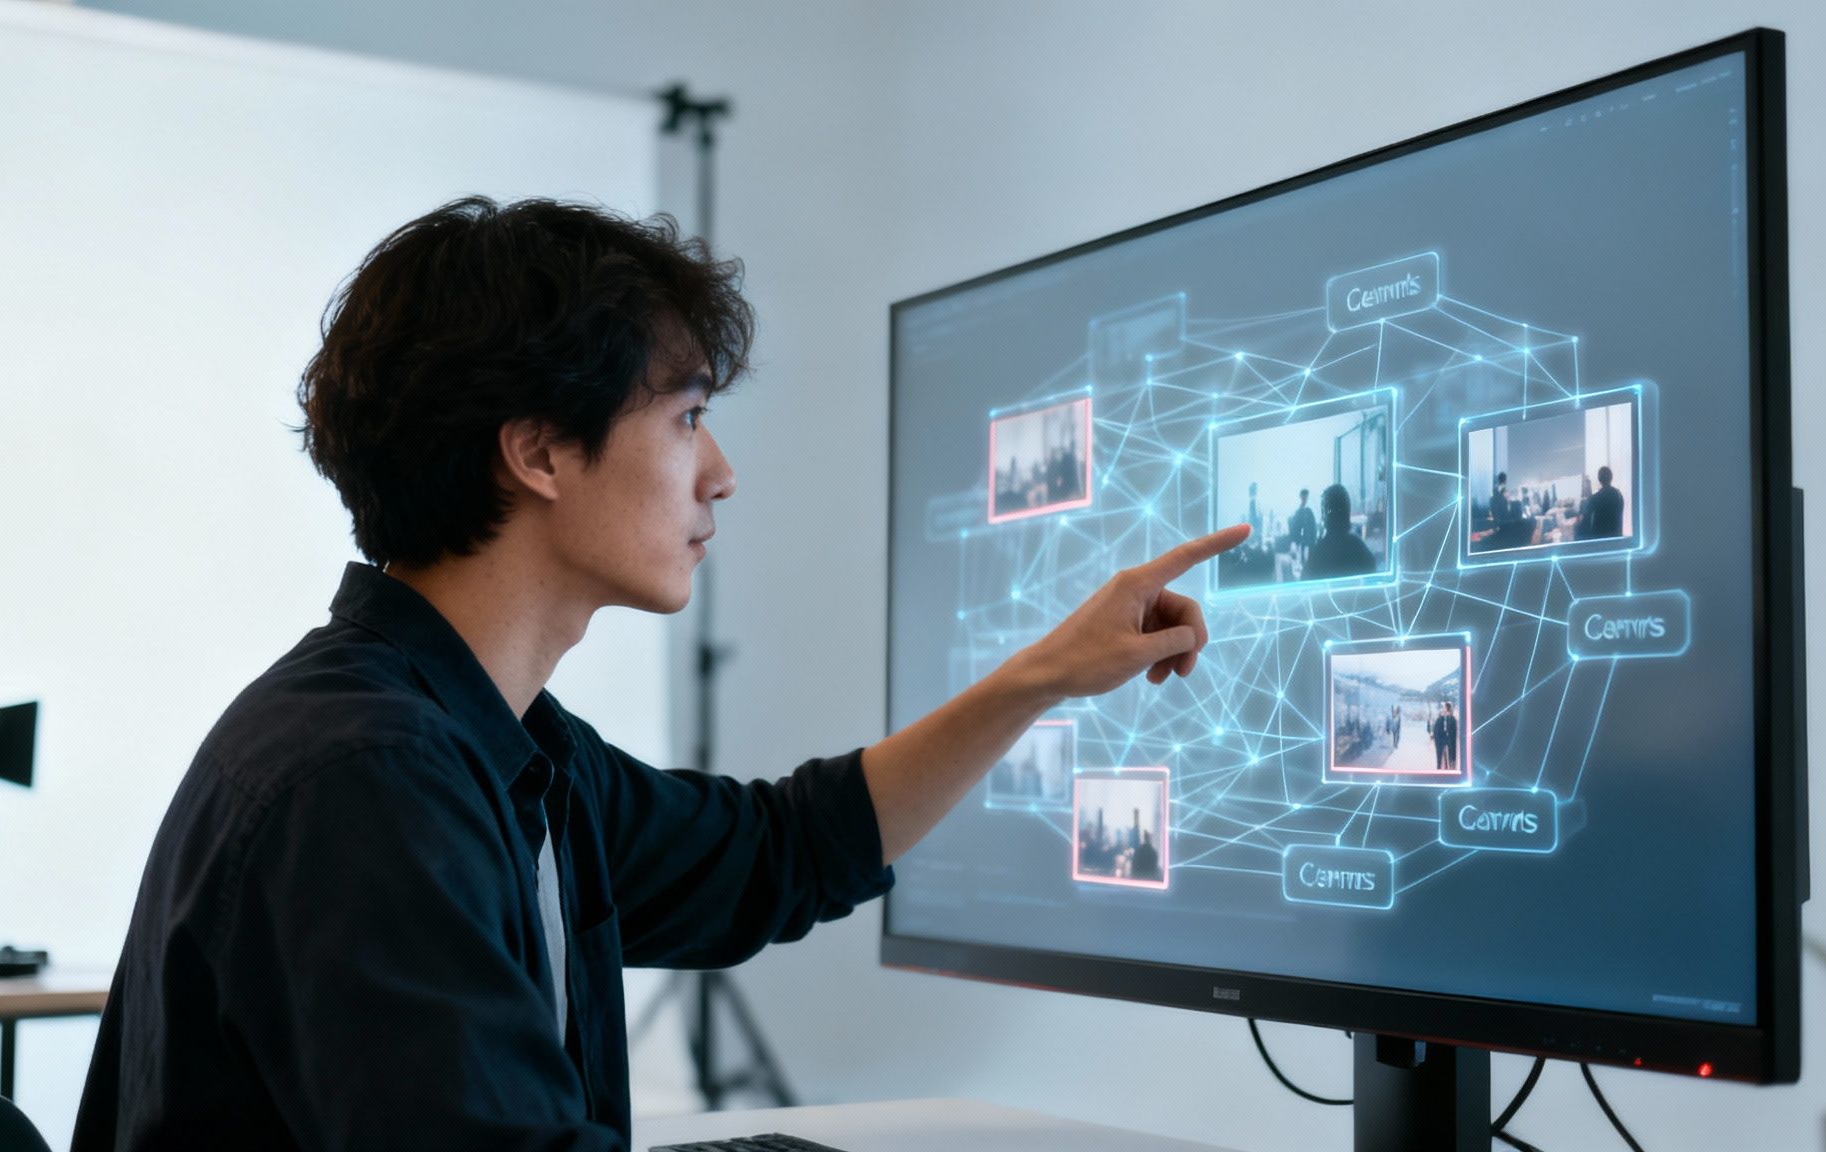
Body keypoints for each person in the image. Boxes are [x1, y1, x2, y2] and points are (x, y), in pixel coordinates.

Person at [72, 197, 1250, 1152]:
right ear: (538, 450)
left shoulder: (491, 738)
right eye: (688, 418)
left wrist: (1040, 677)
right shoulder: (365, 783)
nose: (721, 472)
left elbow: (774, 853)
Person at [1301, 483, 1377, 579]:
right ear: (1347, 511)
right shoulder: (1359, 548)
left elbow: (1306, 583)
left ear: (1325, 514)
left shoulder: (1319, 553)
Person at [1580, 464, 1626, 539]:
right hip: (1616, 537)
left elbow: (1586, 522)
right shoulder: (1618, 495)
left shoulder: (1594, 499)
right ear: (1611, 477)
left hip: (1599, 539)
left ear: (1599, 479)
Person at [1288, 487, 1317, 561]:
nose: (1304, 500)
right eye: (1303, 497)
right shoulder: (1299, 511)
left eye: (1305, 498)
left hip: (1308, 541)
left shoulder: (1308, 511)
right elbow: (1295, 527)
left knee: (1307, 559)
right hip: (1302, 541)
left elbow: (1312, 527)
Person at [1432, 700, 1459, 773]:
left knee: (1451, 754)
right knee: (1440, 755)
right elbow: (1436, 729)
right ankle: (1440, 767)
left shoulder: (1452, 719)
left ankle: (1451, 767)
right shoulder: (1440, 718)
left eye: (1444, 708)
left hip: (1449, 740)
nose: (1443, 710)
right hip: (1441, 740)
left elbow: (1454, 732)